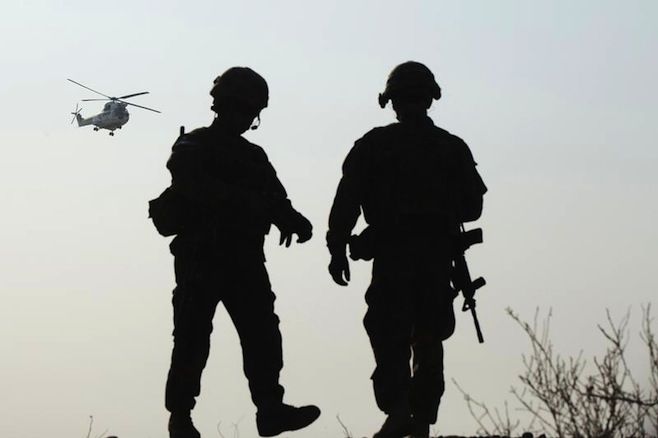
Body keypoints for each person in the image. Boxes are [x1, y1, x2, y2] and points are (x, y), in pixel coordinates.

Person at [154, 67, 320, 438]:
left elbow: (276, 198)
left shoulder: (252, 156)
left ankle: (270, 409)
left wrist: (293, 220)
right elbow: (191, 182)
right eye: (244, 109)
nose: (246, 118)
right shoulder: (193, 145)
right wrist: (247, 203)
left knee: (262, 334)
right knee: (192, 337)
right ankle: (181, 416)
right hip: (201, 256)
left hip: (244, 260)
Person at [326, 61, 487, 438]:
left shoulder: (374, 145)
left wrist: (337, 248)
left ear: (392, 101)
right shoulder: (451, 147)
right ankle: (420, 420)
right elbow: (473, 206)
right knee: (427, 335)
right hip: (433, 255)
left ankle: (400, 411)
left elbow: (346, 203)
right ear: (430, 99)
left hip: (395, 255)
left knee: (390, 331)